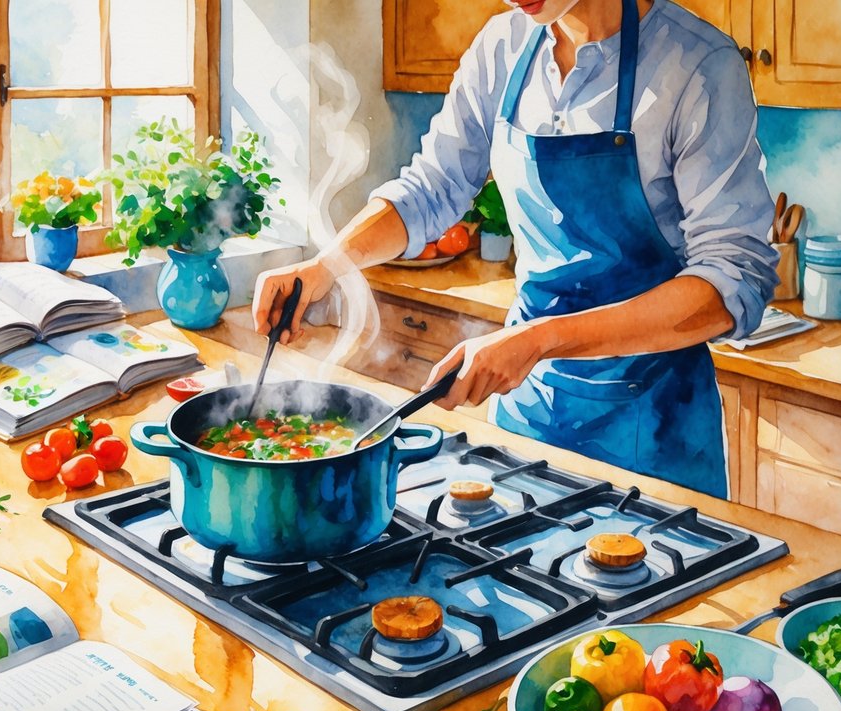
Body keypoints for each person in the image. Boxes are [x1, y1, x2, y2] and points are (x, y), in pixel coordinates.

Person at [252, 0, 777, 499]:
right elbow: (433, 188)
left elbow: (732, 282)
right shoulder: (500, 49)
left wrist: (537, 341)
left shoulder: (698, 65)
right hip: (526, 409)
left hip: (656, 426)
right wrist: (329, 264)